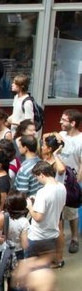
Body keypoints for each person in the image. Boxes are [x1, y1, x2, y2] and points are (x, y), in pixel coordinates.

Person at [27, 161, 67, 267]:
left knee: (32, 268)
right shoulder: (62, 187)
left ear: (42, 174)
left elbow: (38, 217)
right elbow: (60, 207)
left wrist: (30, 207)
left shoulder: (42, 192)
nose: (37, 180)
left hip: (38, 236)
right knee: (45, 267)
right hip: (52, 235)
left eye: (37, 177)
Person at [55, 109, 82, 254]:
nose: (60, 122)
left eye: (64, 120)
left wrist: (77, 183)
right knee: (60, 210)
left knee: (72, 212)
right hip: (59, 179)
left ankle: (75, 239)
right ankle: (60, 236)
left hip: (73, 182)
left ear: (73, 123)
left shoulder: (81, 140)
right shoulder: (62, 135)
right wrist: (55, 135)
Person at [3, 191, 30, 291]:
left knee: (2, 279)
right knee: (13, 283)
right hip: (17, 253)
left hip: (4, 251)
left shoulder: (4, 216)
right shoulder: (24, 222)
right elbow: (25, 244)